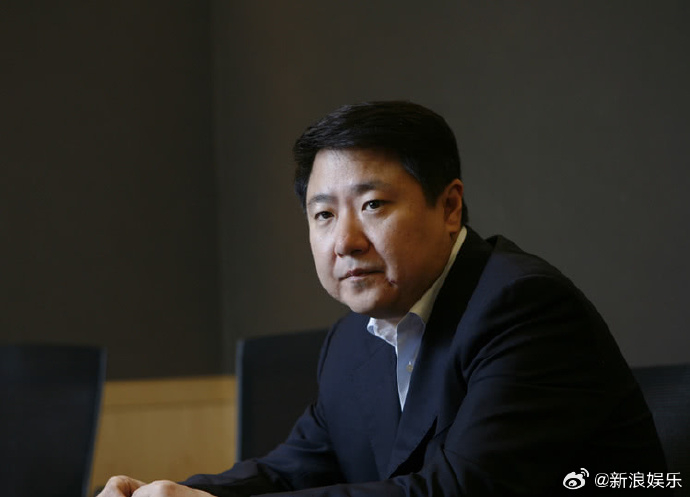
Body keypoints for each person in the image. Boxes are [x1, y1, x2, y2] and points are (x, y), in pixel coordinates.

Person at [99, 101, 668, 496]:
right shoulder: (353, 338)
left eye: (372, 205)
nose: (344, 241)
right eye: (323, 215)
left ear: (449, 208)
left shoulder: (523, 308)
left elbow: (460, 490)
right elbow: (297, 469)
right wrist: (176, 493)